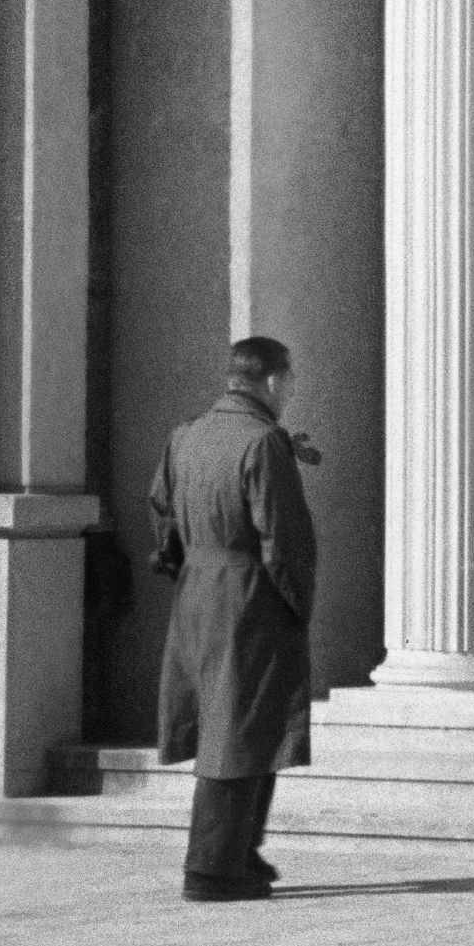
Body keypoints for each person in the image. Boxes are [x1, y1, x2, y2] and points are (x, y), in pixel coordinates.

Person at [149, 336, 317, 902]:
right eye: (287, 381)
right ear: (271, 382)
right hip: (249, 598)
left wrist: (190, 569)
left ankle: (241, 851)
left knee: (242, 725)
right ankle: (213, 868)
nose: (289, 391)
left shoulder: (186, 436)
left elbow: (162, 518)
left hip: (198, 593)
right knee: (239, 727)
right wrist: (296, 603)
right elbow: (284, 540)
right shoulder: (263, 441)